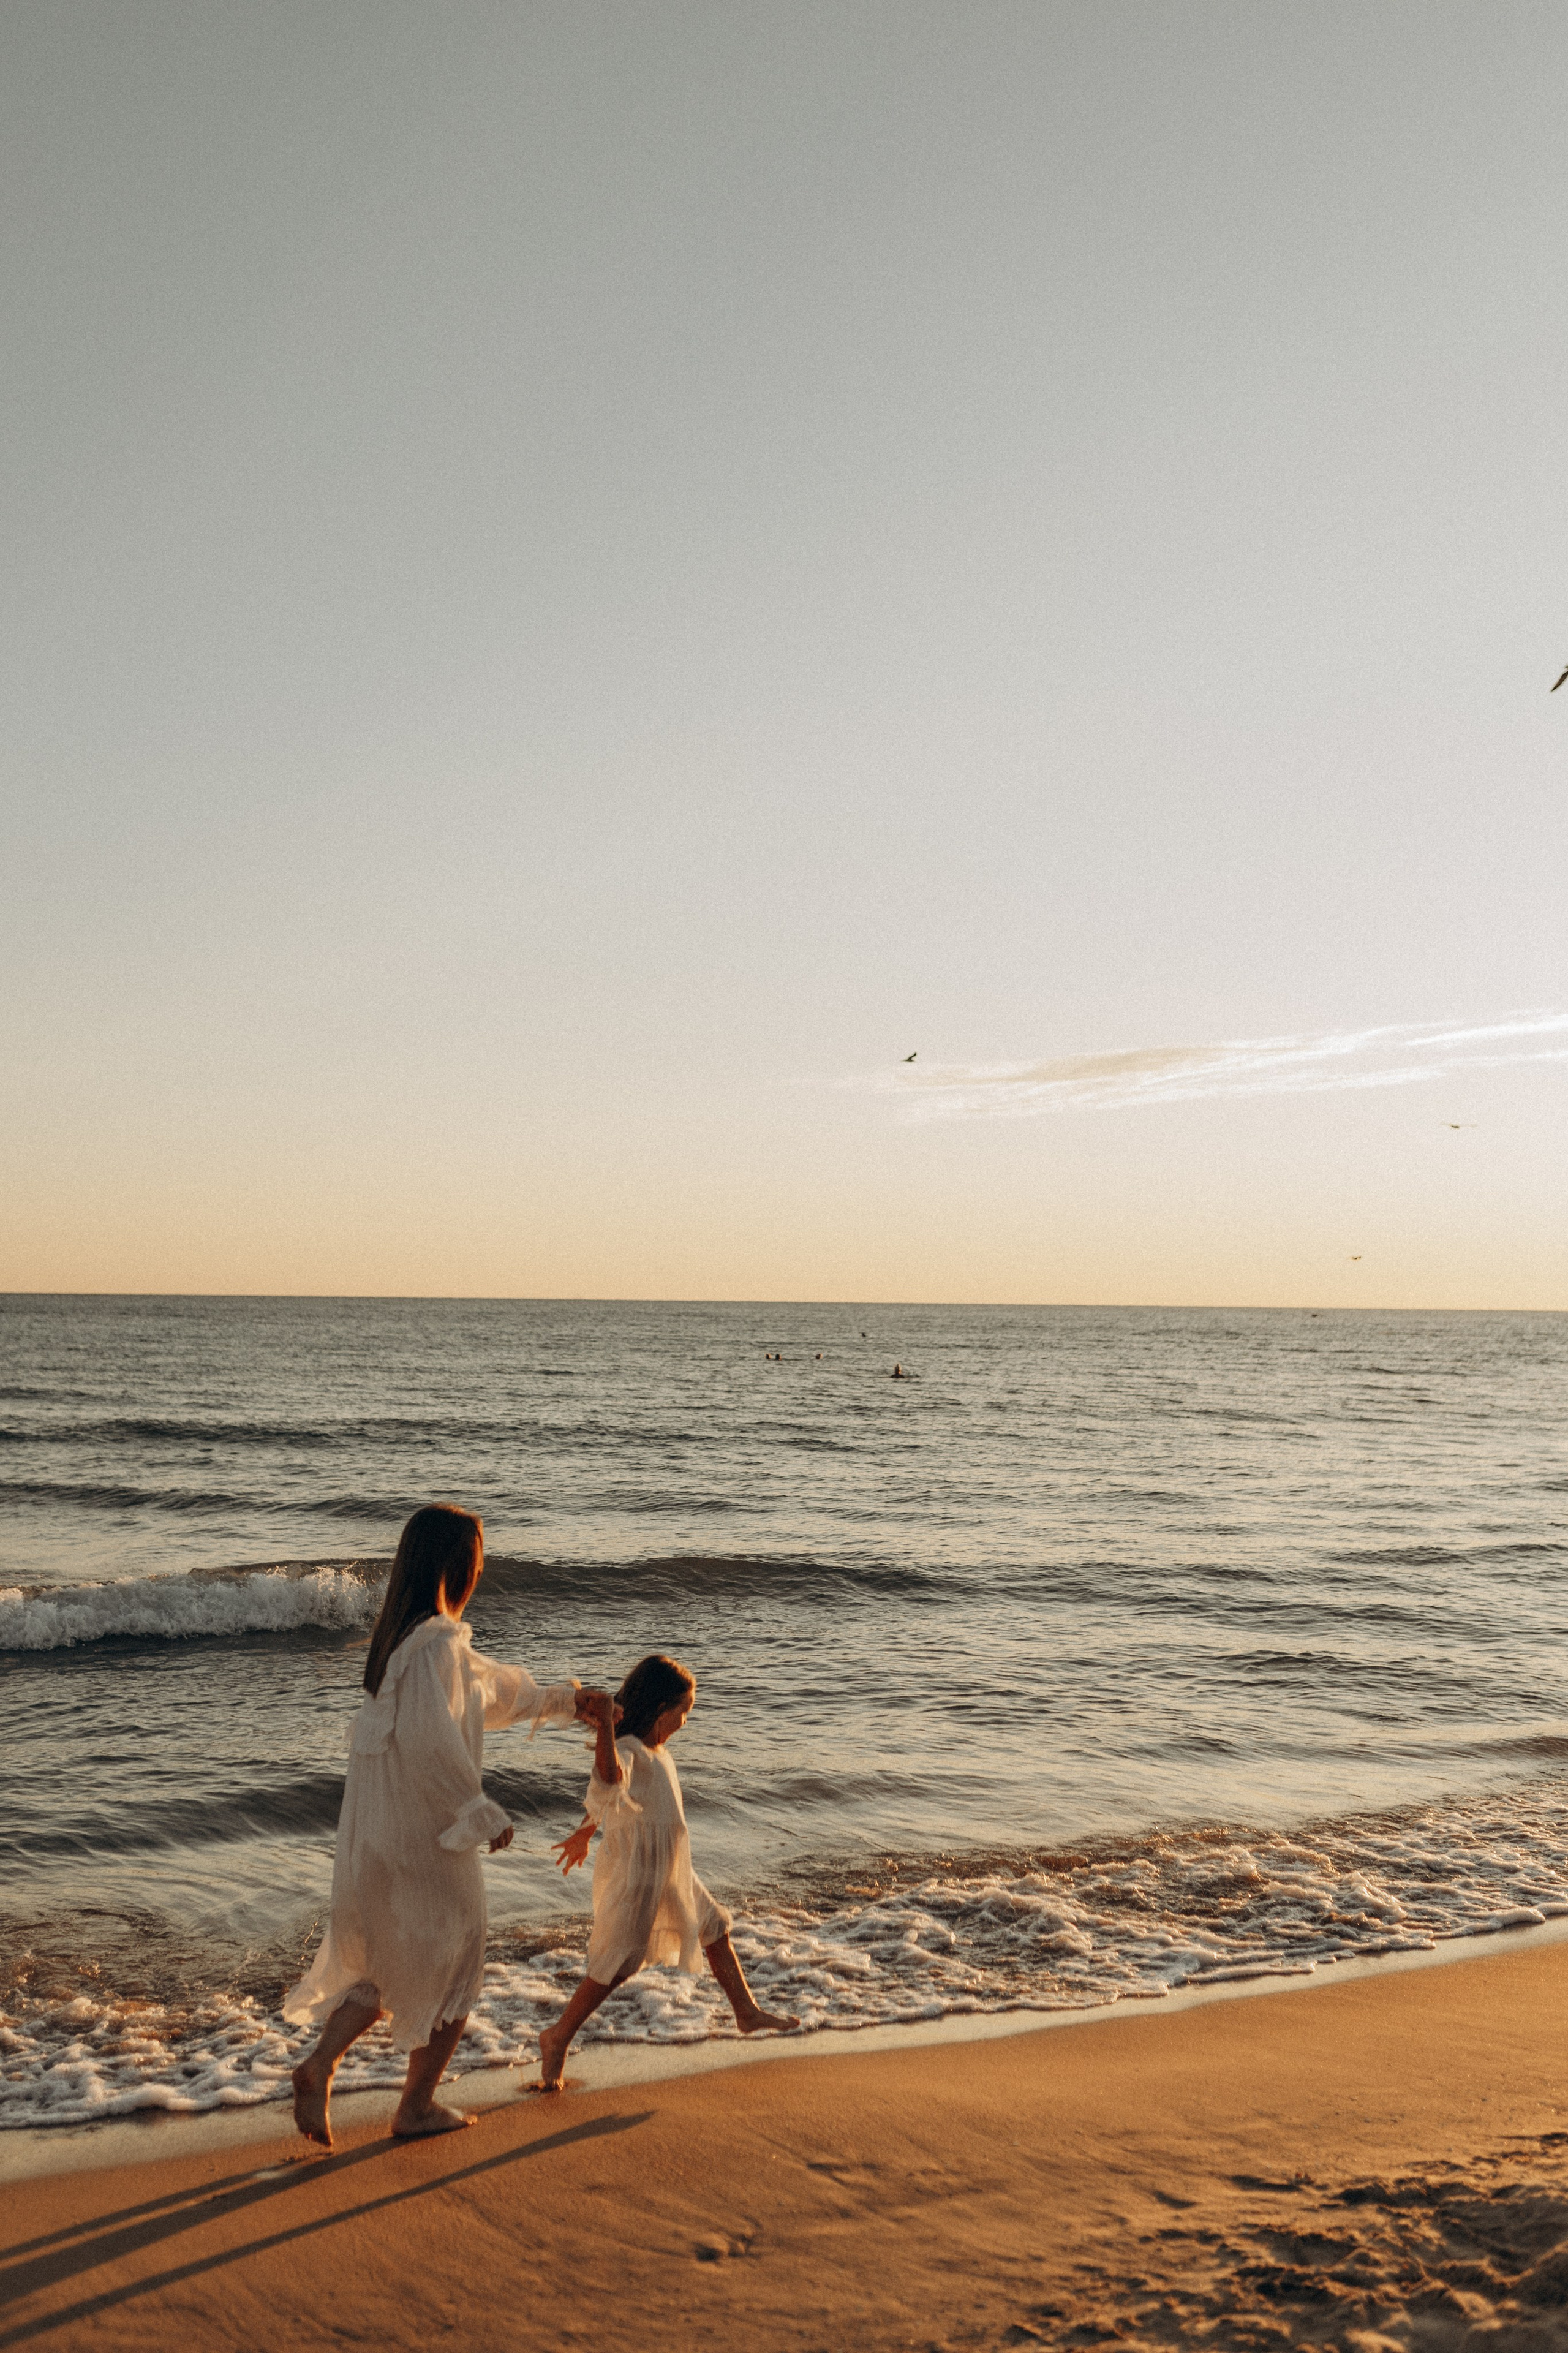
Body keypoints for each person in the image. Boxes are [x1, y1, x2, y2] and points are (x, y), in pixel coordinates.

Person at [284, 1503, 611, 2145]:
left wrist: (573, 1703)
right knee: (458, 1957)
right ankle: (414, 2106)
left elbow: (492, 1694)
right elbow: (435, 1740)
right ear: (457, 1564)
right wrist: (479, 1810)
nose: (483, 1569)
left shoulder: (401, 1648)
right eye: (480, 1558)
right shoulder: (436, 1643)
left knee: (385, 1960)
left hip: (377, 1831)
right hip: (425, 1831)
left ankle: (321, 2064)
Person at [537, 1653, 798, 2088]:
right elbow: (609, 1780)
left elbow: (609, 1801)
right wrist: (604, 1730)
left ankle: (746, 2012)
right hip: (639, 1869)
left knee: (714, 1924)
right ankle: (558, 2036)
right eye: (684, 1712)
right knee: (621, 1960)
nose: (686, 1721)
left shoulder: (659, 1752)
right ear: (662, 1708)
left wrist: (585, 1831)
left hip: (671, 1861)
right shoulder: (628, 1748)